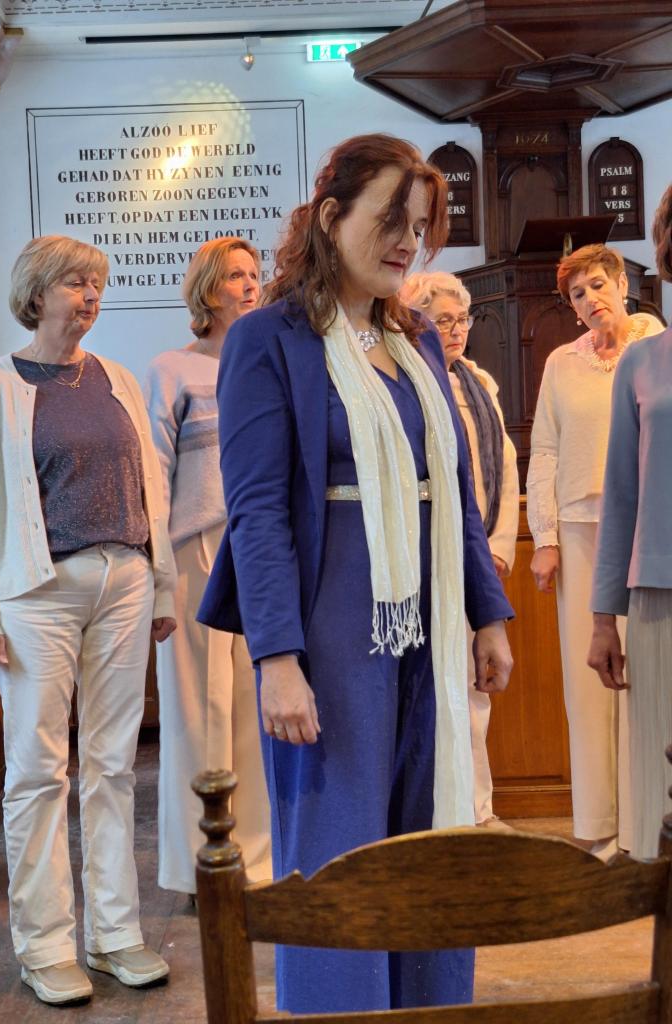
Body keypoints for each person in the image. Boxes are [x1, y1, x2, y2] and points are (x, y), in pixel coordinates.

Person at [198, 133, 514, 1014]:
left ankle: (427, 1007)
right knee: (338, 854)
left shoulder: (417, 339)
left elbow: (451, 486)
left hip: (429, 622)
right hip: (333, 631)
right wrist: (278, 658)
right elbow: (257, 509)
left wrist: (488, 613)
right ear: (332, 217)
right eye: (391, 221)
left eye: (421, 227)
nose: (408, 243)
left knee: (429, 839)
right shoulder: (268, 339)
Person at [0, 235, 177, 1006]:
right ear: (37, 293)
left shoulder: (115, 379)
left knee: (113, 765)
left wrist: (162, 587)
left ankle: (115, 935)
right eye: (76, 282)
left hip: (124, 579)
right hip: (37, 592)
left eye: (97, 283)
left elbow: (150, 487)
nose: (91, 295)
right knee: (39, 771)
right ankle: (45, 947)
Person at [527, 243, 664, 859]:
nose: (590, 300)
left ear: (623, 285)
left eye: (598, 285)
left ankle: (646, 822)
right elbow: (545, 450)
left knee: (645, 677)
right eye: (577, 294)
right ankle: (599, 825)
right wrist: (545, 538)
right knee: (589, 687)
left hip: (647, 531)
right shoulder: (561, 363)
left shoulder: (654, 344)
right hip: (581, 529)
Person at [145, 237, 271, 899]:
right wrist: (159, 575)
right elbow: (153, 475)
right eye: (234, 276)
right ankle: (202, 867)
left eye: (254, 274)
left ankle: (257, 861)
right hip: (196, 549)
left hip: (263, 546)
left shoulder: (272, 361)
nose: (249, 285)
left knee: (260, 701)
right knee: (198, 711)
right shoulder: (171, 369)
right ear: (206, 290)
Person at [402, 270, 519, 829]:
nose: (455, 330)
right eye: (441, 320)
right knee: (435, 689)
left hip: (478, 557)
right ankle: (442, 816)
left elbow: (504, 470)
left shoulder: (480, 384)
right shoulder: (408, 382)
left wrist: (497, 548)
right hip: (429, 559)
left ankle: (479, 812)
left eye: (461, 319)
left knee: (477, 690)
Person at [588, 187, 672, 859]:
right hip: (659, 593)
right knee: (657, 772)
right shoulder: (642, 364)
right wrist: (601, 619)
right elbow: (620, 496)